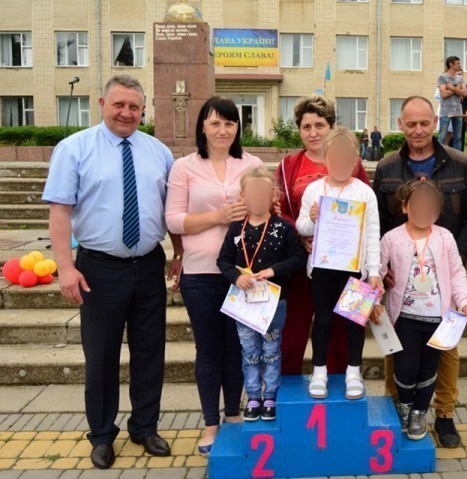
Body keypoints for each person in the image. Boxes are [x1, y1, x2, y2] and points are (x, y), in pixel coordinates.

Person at [43, 74, 181, 469]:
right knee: (101, 356)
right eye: (118, 104)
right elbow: (59, 211)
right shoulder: (74, 149)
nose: (126, 113)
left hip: (149, 264)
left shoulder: (159, 152)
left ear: (144, 109)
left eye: (134, 106)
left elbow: (170, 209)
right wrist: (65, 267)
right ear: (102, 103)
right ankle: (102, 435)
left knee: (150, 351)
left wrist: (179, 252)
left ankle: (145, 427)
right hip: (98, 269)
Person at [372, 95, 467, 448]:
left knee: (444, 355)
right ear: (400, 125)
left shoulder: (460, 163)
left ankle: (443, 414)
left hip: (444, 280)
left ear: (434, 122)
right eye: (410, 124)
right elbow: (378, 223)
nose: (417, 130)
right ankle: (398, 408)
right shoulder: (387, 167)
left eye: (424, 123)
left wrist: (455, 258)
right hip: (400, 283)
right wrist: (383, 271)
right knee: (400, 355)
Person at [165, 96, 263, 455]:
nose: (223, 130)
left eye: (230, 123)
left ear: (238, 128)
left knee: (238, 348)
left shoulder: (252, 164)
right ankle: (210, 423)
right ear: (202, 127)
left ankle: (234, 414)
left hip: (243, 274)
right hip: (201, 273)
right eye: (215, 123)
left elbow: (266, 209)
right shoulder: (184, 167)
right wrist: (217, 217)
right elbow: (173, 219)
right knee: (208, 350)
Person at [276, 95, 370, 377]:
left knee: (346, 327)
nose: (313, 132)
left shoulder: (353, 164)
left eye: (320, 125)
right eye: (306, 127)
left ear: (331, 127)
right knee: (295, 331)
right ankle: (290, 383)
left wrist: (373, 269)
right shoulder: (289, 165)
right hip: (303, 262)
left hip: (348, 263)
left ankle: (343, 382)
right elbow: (281, 212)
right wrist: (300, 234)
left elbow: (367, 214)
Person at [296, 127, 383, 400]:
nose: (341, 162)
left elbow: (373, 233)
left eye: (347, 157)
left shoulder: (365, 193)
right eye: (335, 156)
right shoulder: (314, 190)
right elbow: (301, 226)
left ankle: (353, 371)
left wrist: (374, 271)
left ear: (356, 158)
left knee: (354, 323)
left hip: (355, 269)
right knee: (322, 320)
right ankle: (319, 371)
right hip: (322, 269)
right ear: (325, 158)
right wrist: (312, 219)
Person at [217, 167, 306, 422]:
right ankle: (253, 396)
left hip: (273, 303)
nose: (258, 198)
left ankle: (271, 397)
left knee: (271, 349)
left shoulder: (283, 227)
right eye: (252, 193)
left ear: (273, 196)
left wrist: (273, 270)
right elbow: (223, 260)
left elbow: (298, 258)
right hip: (244, 303)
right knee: (249, 351)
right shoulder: (236, 229)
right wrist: (236, 277)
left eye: (263, 193)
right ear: (243, 196)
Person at [437, 56, 467, 151]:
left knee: (458, 137)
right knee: (442, 136)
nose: (460, 65)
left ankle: (457, 157)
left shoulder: (461, 78)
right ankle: (439, 156)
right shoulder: (442, 77)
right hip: (445, 111)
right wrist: (457, 89)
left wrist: (452, 88)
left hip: (458, 110)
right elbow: (444, 94)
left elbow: (464, 93)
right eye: (458, 63)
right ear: (451, 64)